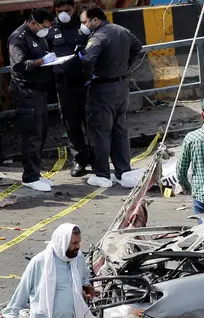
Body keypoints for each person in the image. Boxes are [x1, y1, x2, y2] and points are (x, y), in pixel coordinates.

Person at [78, 3, 143, 188]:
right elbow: (138, 48)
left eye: (85, 22)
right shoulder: (122, 30)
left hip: (102, 89)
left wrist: (88, 76)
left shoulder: (97, 38)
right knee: (119, 130)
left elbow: (89, 59)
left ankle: (102, 174)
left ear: (95, 20)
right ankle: (123, 171)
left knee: (100, 132)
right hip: (121, 86)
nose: (83, 26)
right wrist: (125, 68)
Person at [7, 8, 57, 192]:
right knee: (31, 135)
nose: (46, 30)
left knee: (41, 132)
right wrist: (41, 62)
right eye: (44, 26)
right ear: (34, 22)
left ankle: (36, 172)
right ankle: (30, 176)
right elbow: (18, 65)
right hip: (26, 92)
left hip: (39, 92)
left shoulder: (38, 35)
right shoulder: (18, 38)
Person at [49, 0, 92, 177]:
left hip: (85, 82)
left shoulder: (83, 24)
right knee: (71, 124)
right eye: (59, 11)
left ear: (73, 8)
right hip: (64, 85)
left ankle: (98, 158)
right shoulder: (51, 29)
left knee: (92, 122)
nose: (63, 14)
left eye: (66, 10)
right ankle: (79, 160)